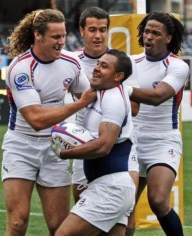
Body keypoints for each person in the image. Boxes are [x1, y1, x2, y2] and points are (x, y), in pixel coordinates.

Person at [1, 9, 96, 236]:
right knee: (17, 222)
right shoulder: (20, 68)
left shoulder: (71, 63)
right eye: (55, 37)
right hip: (21, 146)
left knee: (58, 226)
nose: (61, 42)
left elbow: (93, 98)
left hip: (56, 147)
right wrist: (77, 104)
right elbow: (35, 119)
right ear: (38, 35)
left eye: (63, 36)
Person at [52, 49, 136, 236]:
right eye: (98, 64)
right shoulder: (102, 92)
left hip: (110, 189)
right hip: (109, 186)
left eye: (104, 66)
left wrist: (64, 153)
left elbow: (104, 145)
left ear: (118, 76)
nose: (96, 68)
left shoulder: (114, 99)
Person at [125, 11, 190, 236]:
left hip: (163, 140)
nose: (148, 36)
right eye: (146, 31)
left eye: (155, 33)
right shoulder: (130, 62)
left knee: (158, 199)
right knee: (124, 206)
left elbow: (157, 96)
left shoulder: (177, 66)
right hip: (130, 139)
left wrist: (123, 88)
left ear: (168, 38)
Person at [71, 7, 140, 217]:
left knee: (126, 215)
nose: (98, 35)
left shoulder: (123, 62)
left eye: (103, 29)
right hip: (82, 141)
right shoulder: (71, 62)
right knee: (84, 207)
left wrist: (107, 96)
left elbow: (135, 108)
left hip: (120, 146)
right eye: (92, 29)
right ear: (81, 31)